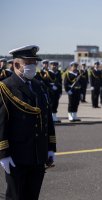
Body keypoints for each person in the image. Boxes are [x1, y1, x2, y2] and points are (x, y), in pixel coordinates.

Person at [0, 45, 56, 200]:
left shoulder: (39, 86)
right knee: (16, 196)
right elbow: (1, 123)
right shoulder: (6, 87)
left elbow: (47, 118)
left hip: (38, 154)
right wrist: (3, 154)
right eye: (29, 62)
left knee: (32, 195)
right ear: (17, 64)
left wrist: (50, 147)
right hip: (17, 156)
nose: (33, 66)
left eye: (34, 62)